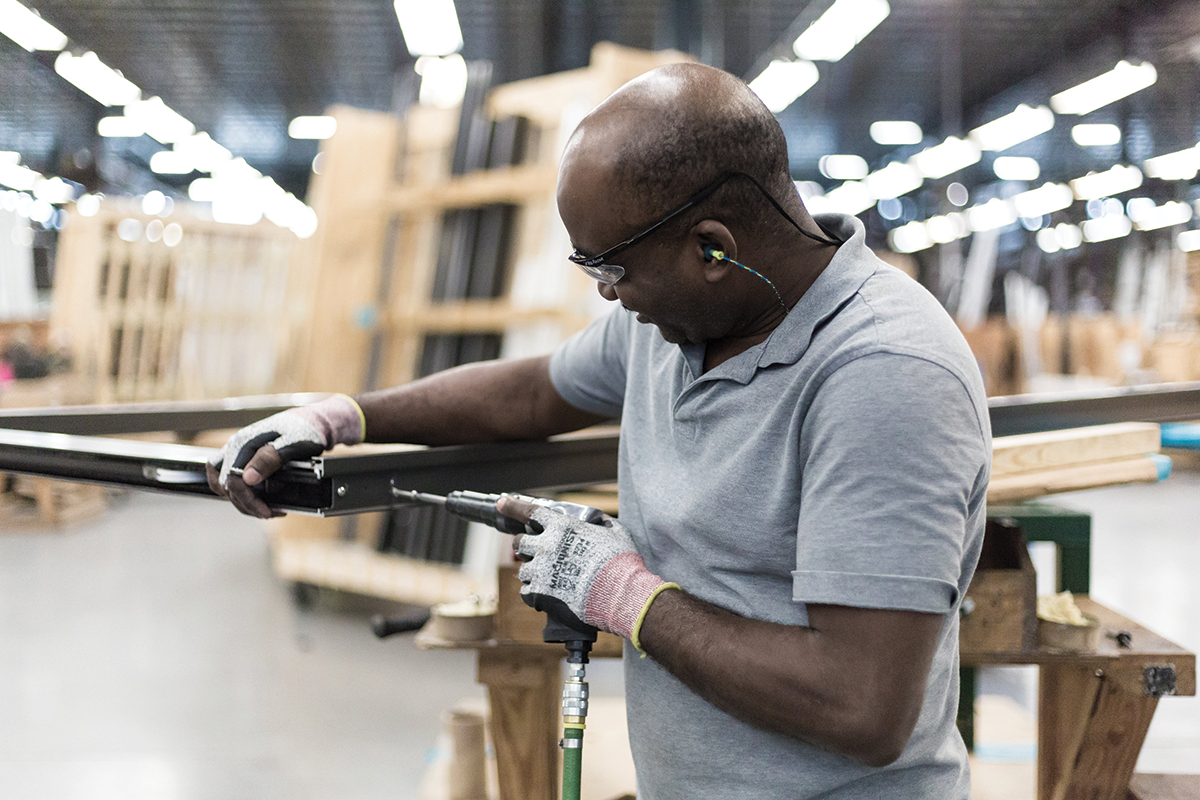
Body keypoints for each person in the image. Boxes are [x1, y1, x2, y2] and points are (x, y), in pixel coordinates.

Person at [209, 62, 991, 799]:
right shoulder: (675, 324)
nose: (609, 296)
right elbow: (530, 393)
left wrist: (624, 593)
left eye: (613, 270)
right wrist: (342, 416)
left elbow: (862, 707)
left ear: (713, 247)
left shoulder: (885, 376)